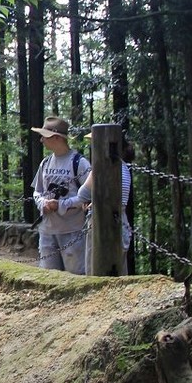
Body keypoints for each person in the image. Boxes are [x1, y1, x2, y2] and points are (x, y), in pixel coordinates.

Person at [30, 116, 90, 274]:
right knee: (48, 277)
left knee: (75, 277)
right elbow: (37, 191)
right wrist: (42, 203)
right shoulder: (45, 163)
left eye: (45, 136)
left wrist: (62, 205)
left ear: (56, 137)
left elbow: (89, 196)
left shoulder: (80, 163)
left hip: (73, 232)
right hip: (47, 232)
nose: (42, 140)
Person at [77, 138, 134, 274]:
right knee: (119, 273)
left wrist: (91, 199)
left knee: (95, 274)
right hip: (121, 221)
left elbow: (82, 194)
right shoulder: (124, 167)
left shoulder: (101, 166)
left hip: (101, 224)